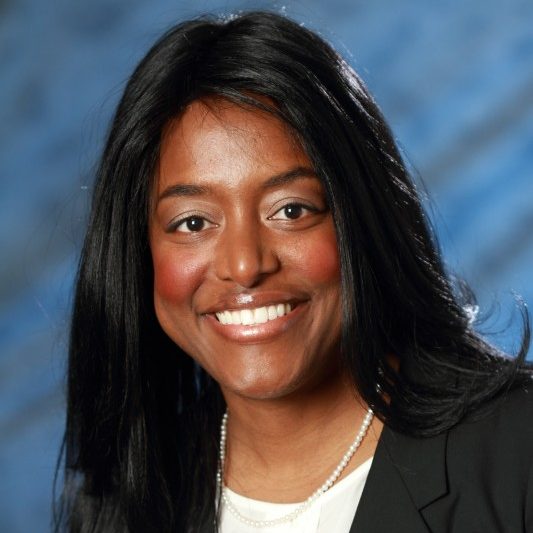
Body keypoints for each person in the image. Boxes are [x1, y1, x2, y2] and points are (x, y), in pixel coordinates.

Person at [54, 10, 533, 533]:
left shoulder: (517, 454)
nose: (244, 265)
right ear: (137, 250)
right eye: (193, 222)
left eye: (291, 210)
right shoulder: (127, 501)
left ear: (361, 216)